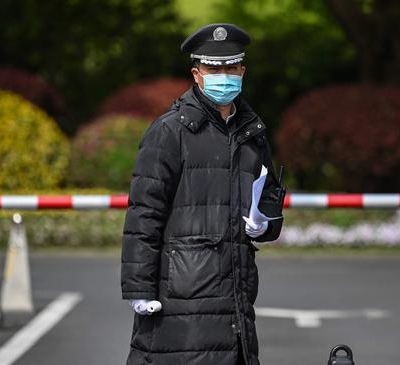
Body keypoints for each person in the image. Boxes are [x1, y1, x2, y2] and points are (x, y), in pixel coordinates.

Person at [120, 23, 285, 365]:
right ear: (197, 74)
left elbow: (268, 193)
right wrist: (139, 288)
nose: (223, 75)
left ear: (242, 70)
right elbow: (144, 214)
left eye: (230, 68)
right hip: (182, 295)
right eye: (213, 69)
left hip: (237, 295)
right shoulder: (169, 132)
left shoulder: (252, 133)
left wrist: (265, 222)